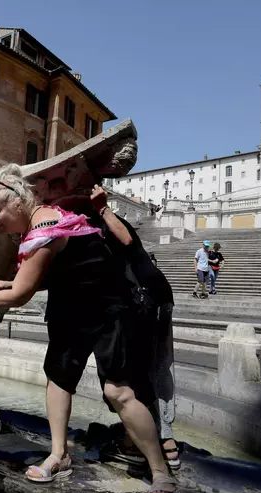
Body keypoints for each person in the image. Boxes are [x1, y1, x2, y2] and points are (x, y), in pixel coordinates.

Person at [0, 169, 177, 493]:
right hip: (73, 311)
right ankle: (59, 455)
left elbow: (21, 295)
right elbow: (70, 268)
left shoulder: (44, 229)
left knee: (119, 391)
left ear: (17, 204)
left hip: (110, 313)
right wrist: (15, 284)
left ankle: (160, 471)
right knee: (58, 381)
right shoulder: (54, 220)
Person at [88, 185, 180, 470]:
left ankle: (156, 441)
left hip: (145, 304)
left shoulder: (108, 222)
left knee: (143, 372)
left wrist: (102, 209)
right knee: (156, 367)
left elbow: (127, 240)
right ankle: (163, 440)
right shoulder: (103, 225)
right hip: (155, 298)